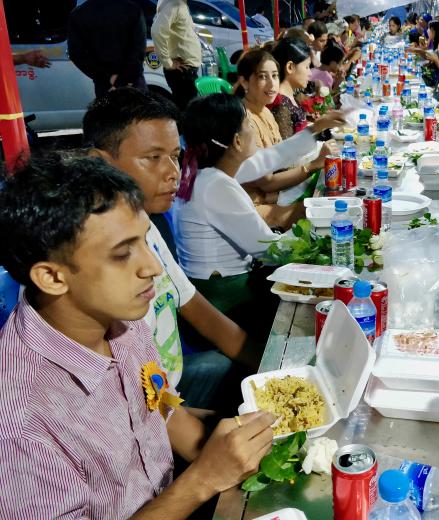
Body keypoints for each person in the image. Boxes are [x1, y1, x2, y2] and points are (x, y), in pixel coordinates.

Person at [0, 153, 275, 518]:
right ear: (52, 277)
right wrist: (204, 479)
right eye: (122, 254)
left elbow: (159, 405)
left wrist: (228, 448)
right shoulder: (22, 424)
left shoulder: (121, 321)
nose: (153, 266)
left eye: (145, 240)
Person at [83, 88, 264, 411]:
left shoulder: (147, 227)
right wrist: (209, 431)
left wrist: (273, 368)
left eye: (175, 156)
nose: (173, 172)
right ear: (102, 163)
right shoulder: (93, 262)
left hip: (167, 388)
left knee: (231, 367)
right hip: (149, 407)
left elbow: (198, 310)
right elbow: (137, 409)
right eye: (153, 158)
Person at [172, 94, 345, 322]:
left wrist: (315, 129)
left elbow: (271, 157)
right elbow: (270, 250)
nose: (252, 130)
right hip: (225, 298)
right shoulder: (215, 185)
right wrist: (318, 223)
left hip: (217, 286)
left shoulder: (207, 169)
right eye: (248, 124)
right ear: (236, 141)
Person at [236, 48, 335, 229]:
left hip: (272, 195)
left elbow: (282, 157)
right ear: (244, 82)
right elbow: (266, 184)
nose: (272, 84)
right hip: (254, 205)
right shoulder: (245, 121)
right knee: (324, 213)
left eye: (274, 75)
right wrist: (313, 165)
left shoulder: (265, 111)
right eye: (262, 77)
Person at [68, 0, 147, 98]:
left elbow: (76, 54)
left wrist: (106, 78)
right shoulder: (132, 9)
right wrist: (122, 80)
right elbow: (138, 50)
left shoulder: (79, 14)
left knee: (108, 112)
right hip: (133, 83)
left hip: (105, 86)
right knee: (139, 111)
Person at [151, 0, 202, 110]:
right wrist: (168, 62)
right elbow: (157, 31)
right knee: (185, 112)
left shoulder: (180, 4)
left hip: (186, 69)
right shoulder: (175, 4)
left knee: (185, 110)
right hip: (183, 71)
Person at [269, 37, 314, 139]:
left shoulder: (290, 97)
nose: (310, 73)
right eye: (307, 67)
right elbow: (287, 148)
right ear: (290, 67)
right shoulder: (280, 104)